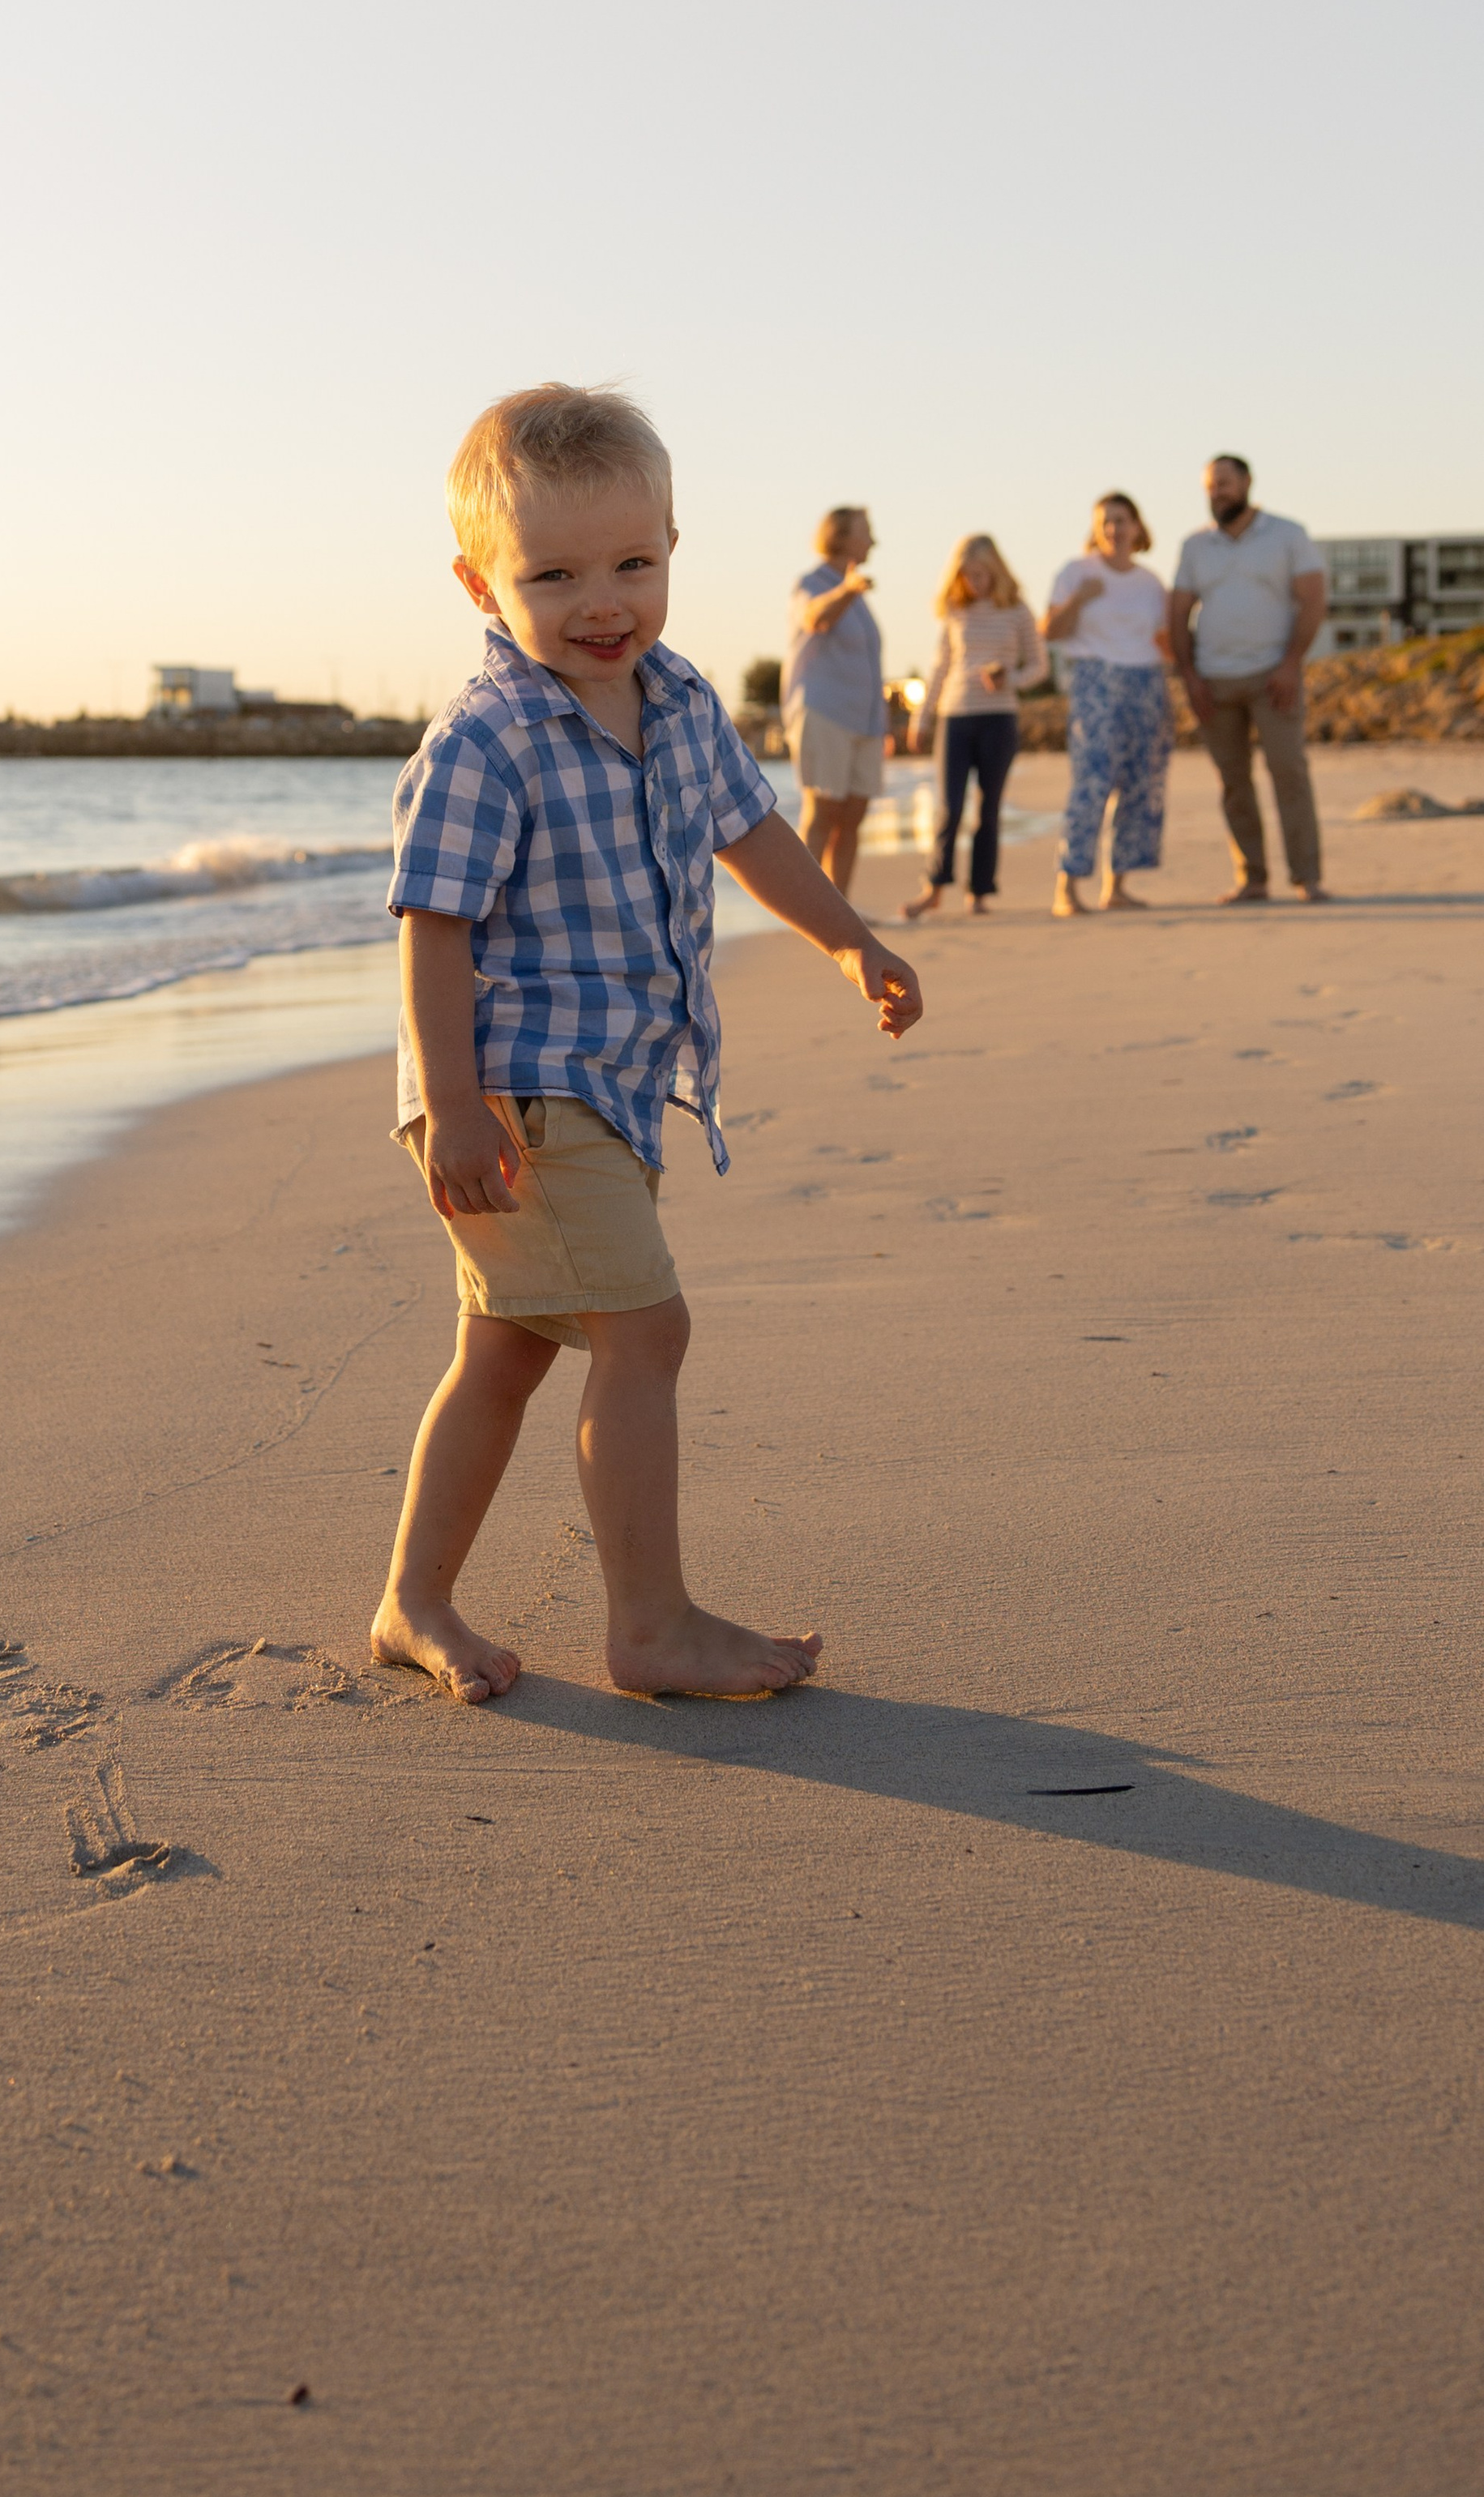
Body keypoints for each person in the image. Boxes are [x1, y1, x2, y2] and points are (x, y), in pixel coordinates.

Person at [372, 384, 923, 1706]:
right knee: (645, 1331)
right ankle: (649, 1626)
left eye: (632, 562)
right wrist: (453, 1103)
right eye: (552, 574)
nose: (602, 600)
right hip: (513, 1094)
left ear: (673, 543)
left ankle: (412, 1600)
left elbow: (756, 835)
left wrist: (849, 940)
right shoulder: (489, 737)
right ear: (477, 583)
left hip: (608, 1093)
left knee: (502, 1351)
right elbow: (432, 925)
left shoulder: (673, 699)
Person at [1170, 456, 1330, 903]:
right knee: (1233, 783)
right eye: (1209, 486)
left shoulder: (1287, 535)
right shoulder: (1194, 547)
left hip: (1273, 677)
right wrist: (1189, 676)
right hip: (1214, 681)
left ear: (1246, 483)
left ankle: (1308, 877)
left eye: (1223, 483)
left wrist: (1290, 663)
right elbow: (1178, 611)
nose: (1216, 492)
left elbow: (1314, 599)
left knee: (1289, 772)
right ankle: (1252, 878)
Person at [1041, 492, 1174, 915]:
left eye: (1121, 520)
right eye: (1105, 522)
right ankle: (1067, 888)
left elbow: (1164, 640)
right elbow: (1050, 632)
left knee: (1139, 785)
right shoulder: (1076, 572)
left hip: (1146, 682)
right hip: (1096, 680)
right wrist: (1079, 599)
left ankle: (1116, 887)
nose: (1113, 529)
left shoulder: (1151, 583)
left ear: (1138, 526)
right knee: (1091, 783)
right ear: (1095, 530)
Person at [902, 536, 1046, 920]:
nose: (975, 582)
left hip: (999, 717)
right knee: (949, 808)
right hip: (955, 716)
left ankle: (979, 893)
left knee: (990, 808)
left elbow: (1039, 666)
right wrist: (922, 717)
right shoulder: (954, 611)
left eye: (982, 573)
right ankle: (933, 888)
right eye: (967, 575)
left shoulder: (1018, 612)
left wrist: (1009, 678)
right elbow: (939, 667)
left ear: (996, 571)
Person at [782, 507, 889, 896]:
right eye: (867, 532)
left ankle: (841, 910)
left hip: (866, 721)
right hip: (824, 712)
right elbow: (814, 618)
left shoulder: (857, 594)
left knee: (854, 815)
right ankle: (807, 908)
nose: (874, 541)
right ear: (841, 536)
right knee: (823, 811)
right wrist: (847, 590)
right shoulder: (812, 583)